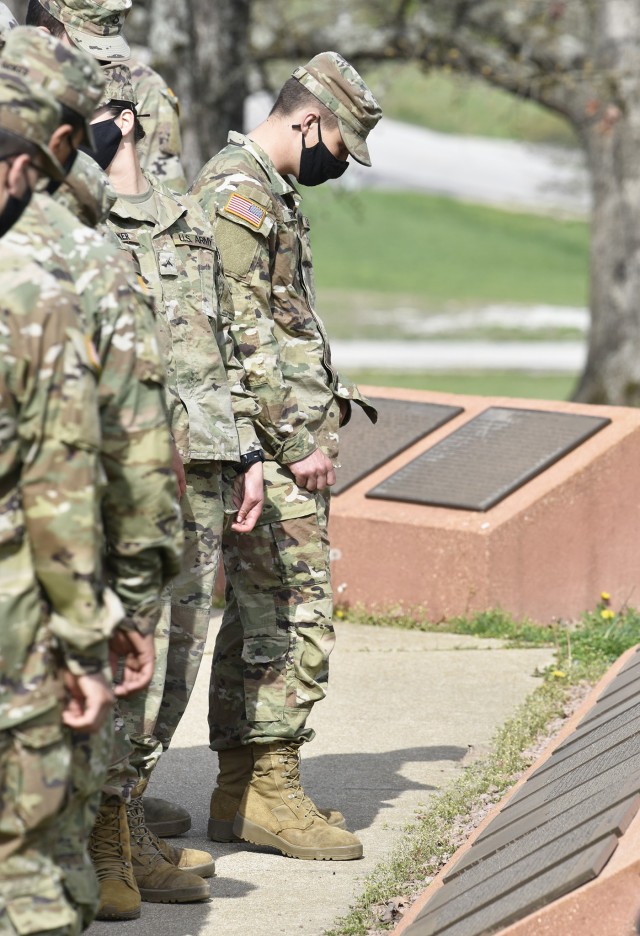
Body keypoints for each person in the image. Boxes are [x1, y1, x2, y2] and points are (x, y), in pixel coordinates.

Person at [0, 26, 185, 924]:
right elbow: (86, 471)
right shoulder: (72, 266)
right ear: (61, 140)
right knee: (34, 871)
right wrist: (116, 613)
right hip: (27, 621)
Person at [80, 64, 265, 914]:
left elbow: (218, 339)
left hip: (205, 460)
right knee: (126, 657)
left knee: (176, 664)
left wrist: (250, 450)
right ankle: (99, 841)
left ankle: (129, 826)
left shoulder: (184, 217)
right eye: (143, 118)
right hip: (130, 470)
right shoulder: (79, 218)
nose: (159, 132)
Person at [189, 51, 382, 861]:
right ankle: (269, 789)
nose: (338, 164)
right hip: (271, 447)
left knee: (265, 615)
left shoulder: (266, 192)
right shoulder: (239, 195)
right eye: (340, 147)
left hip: (271, 442)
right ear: (309, 120)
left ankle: (242, 794)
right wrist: (293, 443)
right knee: (292, 616)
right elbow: (241, 334)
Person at [0, 65, 118, 936]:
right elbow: (58, 485)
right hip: (15, 636)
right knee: (28, 873)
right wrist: (85, 643)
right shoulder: (35, 294)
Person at [26, 0, 188, 191]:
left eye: (105, 48)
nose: (102, 63)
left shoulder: (140, 85)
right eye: (85, 48)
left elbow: (159, 207)